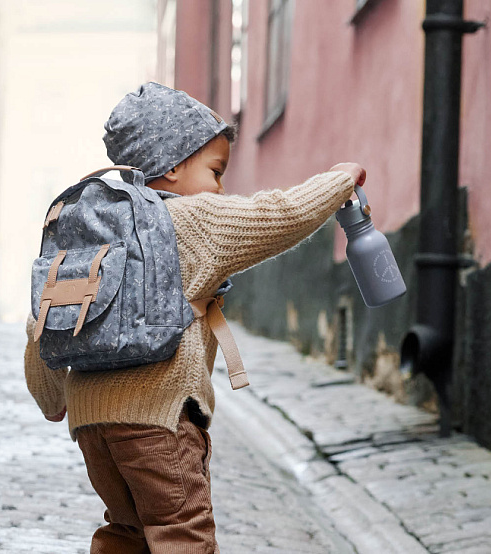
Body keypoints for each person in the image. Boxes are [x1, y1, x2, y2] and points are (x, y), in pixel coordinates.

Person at [24, 82, 366, 553]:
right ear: (171, 167)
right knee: (180, 531)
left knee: (125, 531)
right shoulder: (191, 219)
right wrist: (339, 181)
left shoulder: (89, 228)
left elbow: (43, 321)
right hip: (159, 420)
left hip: (91, 425)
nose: (221, 187)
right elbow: (279, 215)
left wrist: (52, 398)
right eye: (216, 170)